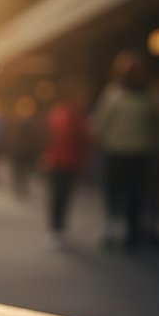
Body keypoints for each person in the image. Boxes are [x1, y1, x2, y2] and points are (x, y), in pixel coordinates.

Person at [90, 50, 159, 251]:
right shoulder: (114, 94)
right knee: (117, 191)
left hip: (137, 152)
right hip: (118, 151)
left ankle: (129, 232)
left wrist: (158, 145)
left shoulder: (149, 96)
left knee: (133, 194)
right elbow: (100, 122)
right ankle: (114, 227)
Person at [41, 80, 90, 249]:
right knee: (63, 196)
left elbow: (46, 136)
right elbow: (85, 137)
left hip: (55, 160)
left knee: (57, 196)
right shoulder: (75, 114)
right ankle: (58, 229)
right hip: (67, 161)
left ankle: (56, 229)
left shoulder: (55, 112)